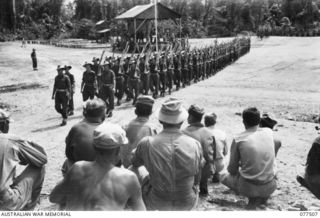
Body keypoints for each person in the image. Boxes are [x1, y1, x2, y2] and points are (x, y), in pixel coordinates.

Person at [50, 122, 146, 211]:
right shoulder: (129, 178)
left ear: (94, 147)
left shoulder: (78, 168)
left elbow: (54, 198)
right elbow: (141, 212)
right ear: (118, 151)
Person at [132, 98, 203, 211]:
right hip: (187, 201)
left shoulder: (147, 142)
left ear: (161, 120)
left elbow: (134, 163)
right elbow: (198, 173)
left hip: (157, 202)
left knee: (135, 168)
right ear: (182, 120)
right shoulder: (195, 144)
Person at [221, 107, 277, 209]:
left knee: (222, 174)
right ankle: (262, 199)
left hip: (248, 188)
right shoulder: (269, 132)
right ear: (259, 121)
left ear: (243, 121)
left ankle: (252, 200)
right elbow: (277, 143)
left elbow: (232, 170)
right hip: (270, 186)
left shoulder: (238, 139)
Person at [0, 109, 47, 210]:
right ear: (4, 125)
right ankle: (29, 210)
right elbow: (42, 159)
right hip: (4, 202)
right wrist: (21, 157)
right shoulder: (9, 140)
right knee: (39, 168)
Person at [62, 99, 106, 177]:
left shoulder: (76, 128)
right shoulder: (109, 129)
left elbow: (68, 153)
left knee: (67, 162)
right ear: (103, 116)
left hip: (82, 172)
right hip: (104, 171)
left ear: (84, 114)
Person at [183, 105, 215, 195]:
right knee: (203, 185)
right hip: (207, 171)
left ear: (190, 117)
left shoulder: (184, 132)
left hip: (191, 171)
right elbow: (213, 154)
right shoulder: (209, 133)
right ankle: (204, 190)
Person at [121, 96, 156, 168]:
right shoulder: (152, 129)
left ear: (135, 111)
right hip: (144, 169)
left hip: (126, 167)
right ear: (151, 112)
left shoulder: (125, 126)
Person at [204, 113, 228, 183]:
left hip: (206, 165)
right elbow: (226, 152)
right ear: (215, 122)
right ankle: (216, 173)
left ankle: (209, 173)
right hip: (220, 165)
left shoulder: (202, 133)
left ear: (205, 123)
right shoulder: (222, 133)